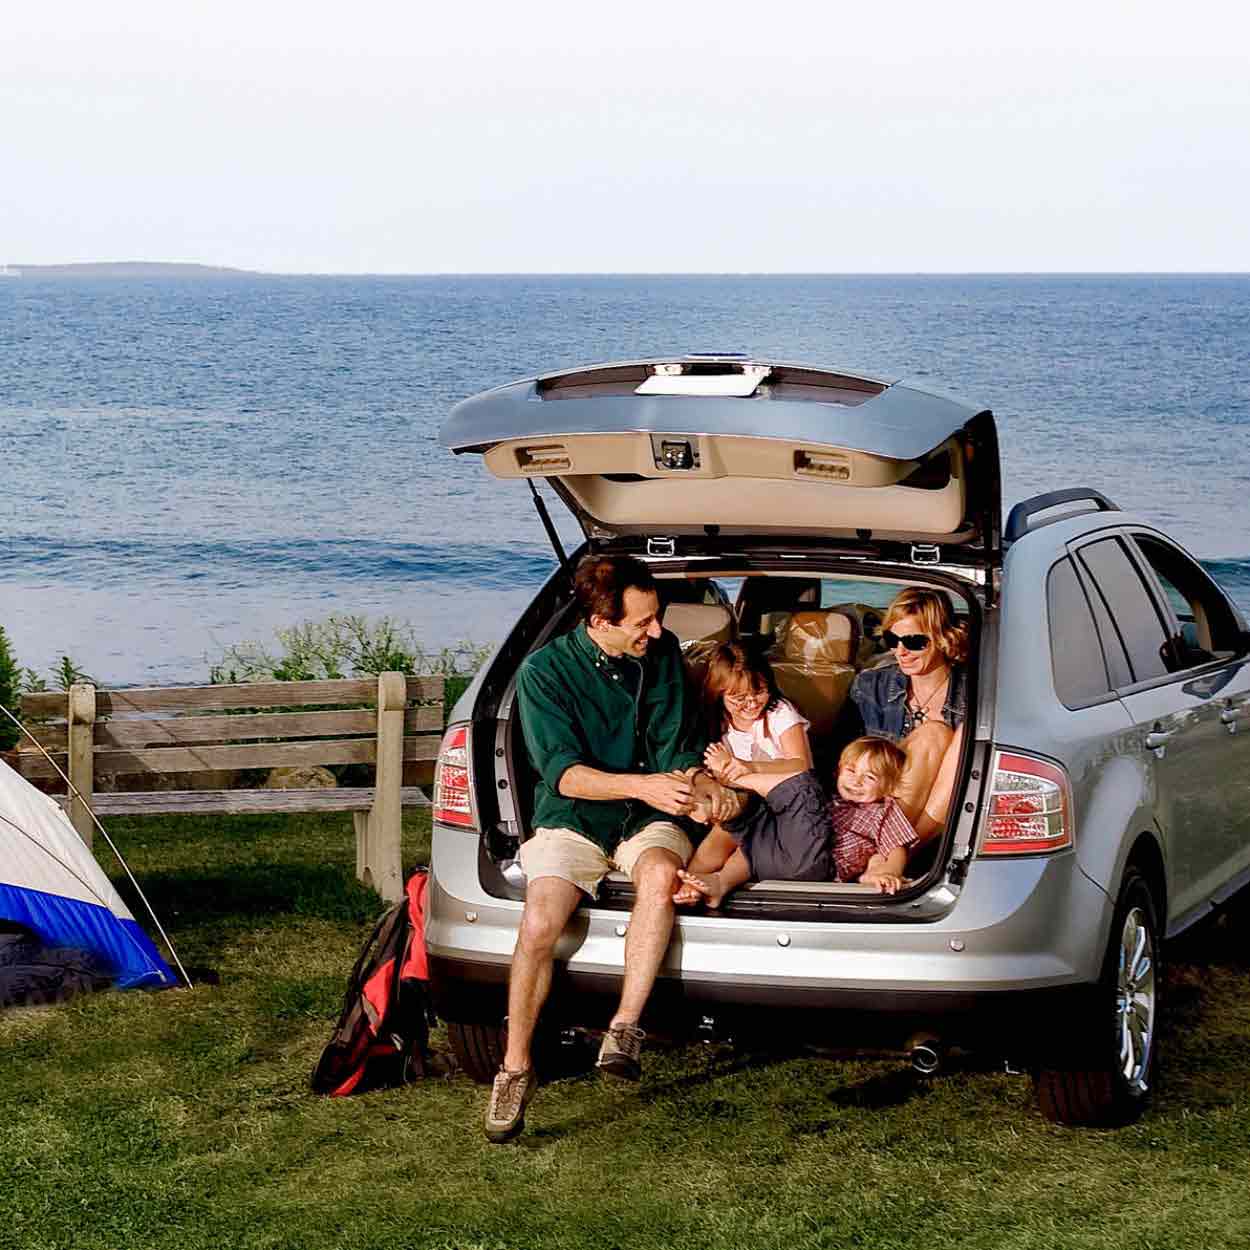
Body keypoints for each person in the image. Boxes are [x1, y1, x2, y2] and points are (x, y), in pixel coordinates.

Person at [483, 554, 736, 1144]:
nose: (655, 631)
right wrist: (642, 784)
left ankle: (623, 1030)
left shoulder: (665, 652)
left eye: (656, 618)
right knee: (541, 920)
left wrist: (704, 789)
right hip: (573, 816)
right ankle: (515, 1068)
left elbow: (679, 747)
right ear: (600, 620)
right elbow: (564, 775)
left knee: (657, 875)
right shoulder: (544, 672)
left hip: (650, 816)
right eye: (641, 622)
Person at [676, 736, 918, 907]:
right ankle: (721, 880)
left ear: (888, 787)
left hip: (815, 869)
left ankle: (737, 780)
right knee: (757, 832)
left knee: (803, 785)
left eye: (870, 777)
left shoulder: (883, 811)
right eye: (851, 771)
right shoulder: (830, 800)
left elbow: (896, 849)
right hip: (777, 864)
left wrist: (887, 872)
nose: (856, 781)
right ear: (839, 770)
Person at [682, 643, 812, 889]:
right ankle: (691, 882)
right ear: (718, 693)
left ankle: (692, 881)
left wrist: (747, 766)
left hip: (781, 802)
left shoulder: (779, 712)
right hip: (739, 801)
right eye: (739, 698)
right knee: (730, 823)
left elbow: (801, 765)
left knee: (733, 830)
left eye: (760, 691)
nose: (752, 703)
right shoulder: (713, 721)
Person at [846, 586, 968, 846]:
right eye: (892, 640)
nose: (900, 652)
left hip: (939, 822)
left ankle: (900, 850)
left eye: (914, 642)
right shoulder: (871, 686)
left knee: (942, 735)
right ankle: (888, 848)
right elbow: (846, 760)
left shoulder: (976, 695)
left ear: (943, 638)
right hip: (871, 809)